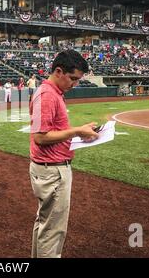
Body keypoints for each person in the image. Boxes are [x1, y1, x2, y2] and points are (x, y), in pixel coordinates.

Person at [29, 50, 99, 258]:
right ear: (58, 71)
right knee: (52, 231)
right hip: (53, 171)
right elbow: (40, 137)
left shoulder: (52, 92)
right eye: (73, 78)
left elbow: (52, 132)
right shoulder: (47, 94)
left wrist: (78, 132)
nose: (75, 84)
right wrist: (77, 131)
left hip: (50, 169)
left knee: (45, 225)